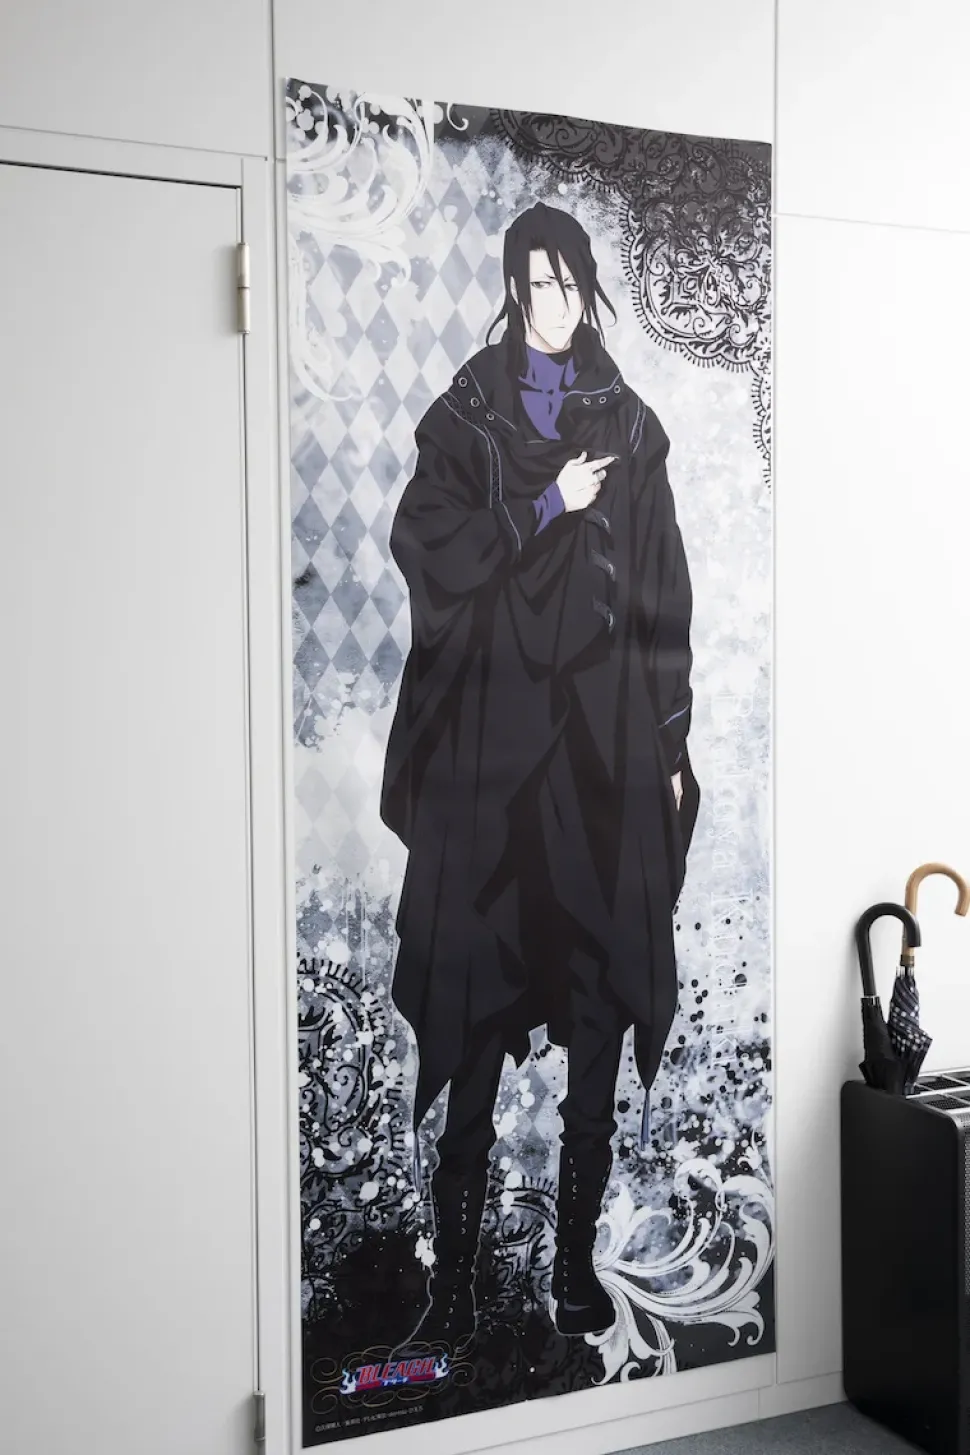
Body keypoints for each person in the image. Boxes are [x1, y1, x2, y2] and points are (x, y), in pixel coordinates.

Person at [380, 202, 699, 1345]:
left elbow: (661, 599)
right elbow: (430, 551)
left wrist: (669, 742)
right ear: (513, 290)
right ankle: (453, 1294)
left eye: (568, 283)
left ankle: (570, 1276)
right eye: (535, 284)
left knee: (597, 1000)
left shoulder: (631, 424)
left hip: (599, 764)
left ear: (588, 288)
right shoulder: (467, 417)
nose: (553, 304)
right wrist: (543, 505)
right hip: (495, 768)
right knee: (477, 1007)